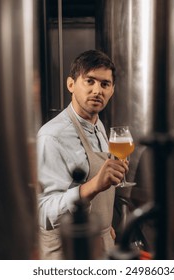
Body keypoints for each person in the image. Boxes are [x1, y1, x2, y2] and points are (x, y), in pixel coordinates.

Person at [37, 50, 128, 259]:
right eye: (90, 81)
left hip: (99, 242)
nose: (97, 90)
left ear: (112, 90)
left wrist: (106, 227)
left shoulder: (99, 126)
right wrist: (94, 185)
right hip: (67, 252)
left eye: (105, 84)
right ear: (71, 84)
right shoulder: (52, 136)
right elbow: (43, 213)